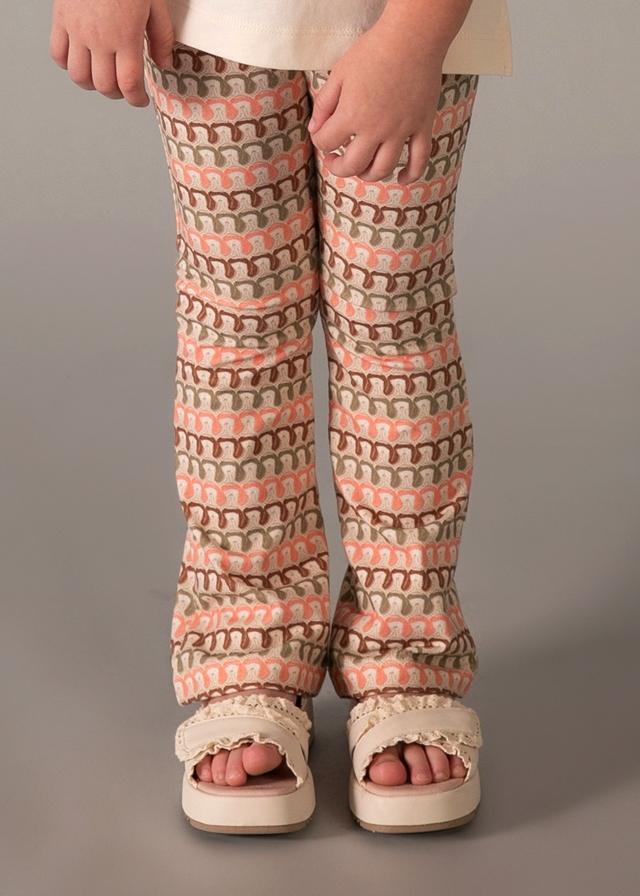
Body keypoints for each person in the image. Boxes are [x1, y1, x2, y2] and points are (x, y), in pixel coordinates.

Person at [49, 0, 512, 834]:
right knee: (237, 332)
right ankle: (247, 651)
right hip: (211, 22)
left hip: (401, 24)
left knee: (394, 326)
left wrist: (415, 35)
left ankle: (406, 652)